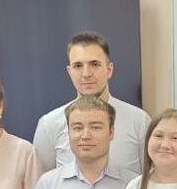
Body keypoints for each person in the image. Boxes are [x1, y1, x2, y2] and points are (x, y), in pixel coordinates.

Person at [32, 30, 150, 179]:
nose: (86, 73)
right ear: (69, 72)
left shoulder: (139, 121)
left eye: (94, 64)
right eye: (78, 66)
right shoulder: (49, 125)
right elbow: (42, 185)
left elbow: (151, 181)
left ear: (109, 70)